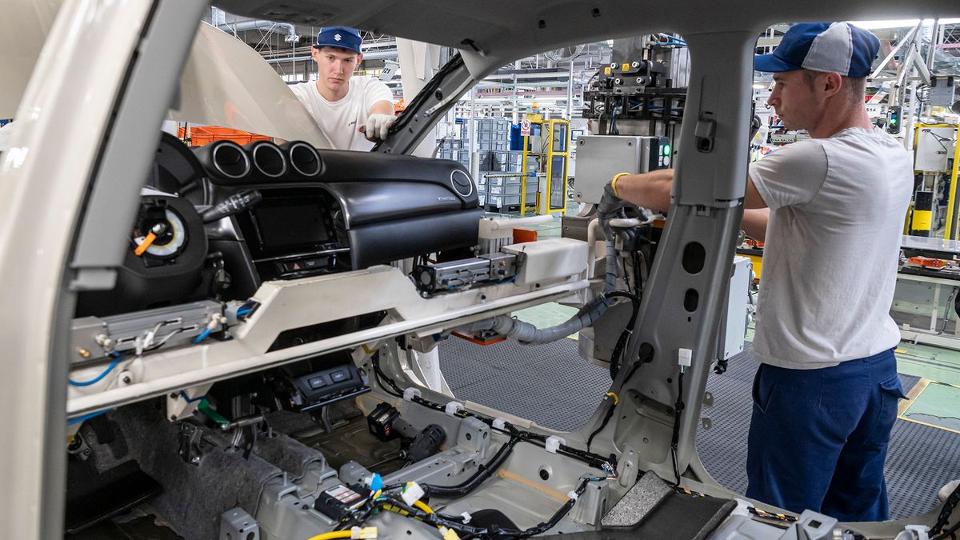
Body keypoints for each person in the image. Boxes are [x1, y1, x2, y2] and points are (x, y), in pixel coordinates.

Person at [607, 22, 912, 521]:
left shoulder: (816, 158)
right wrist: (727, 216)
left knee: (779, 515)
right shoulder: (890, 153)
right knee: (856, 514)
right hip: (874, 372)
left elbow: (688, 187)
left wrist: (617, 182)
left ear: (829, 83)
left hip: (811, 382)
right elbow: (794, 227)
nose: (772, 99)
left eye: (783, 84)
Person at [289, 26, 396, 151]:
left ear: (358, 60)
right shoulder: (296, 95)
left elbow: (382, 105)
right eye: (331, 58)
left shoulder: (368, 87)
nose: (338, 70)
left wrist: (381, 117)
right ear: (315, 53)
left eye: (347, 60)